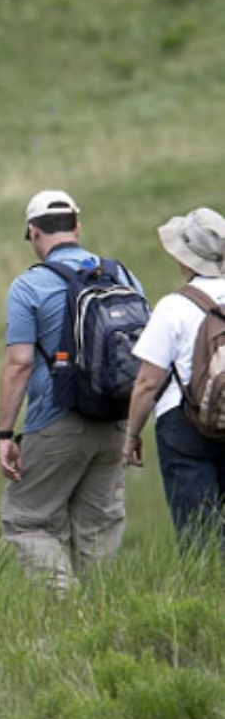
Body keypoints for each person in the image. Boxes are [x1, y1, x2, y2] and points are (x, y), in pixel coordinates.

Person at [0, 191, 143, 593]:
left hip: (56, 418)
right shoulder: (124, 276)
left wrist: (4, 434)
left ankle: (67, 607)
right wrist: (136, 426)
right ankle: (100, 619)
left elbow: (19, 363)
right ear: (77, 227)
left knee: (27, 519)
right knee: (99, 528)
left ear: (32, 232)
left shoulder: (29, 286)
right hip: (116, 420)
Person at [124, 208, 225, 546]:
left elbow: (148, 382)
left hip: (184, 425)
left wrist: (131, 434)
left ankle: (207, 594)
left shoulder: (173, 307)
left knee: (199, 532)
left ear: (187, 261)